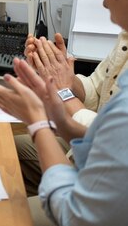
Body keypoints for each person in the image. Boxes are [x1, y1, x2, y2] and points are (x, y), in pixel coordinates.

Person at [0, 0, 128, 225]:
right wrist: (63, 75)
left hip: (84, 191)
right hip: (86, 151)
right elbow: (95, 89)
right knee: (1, 145)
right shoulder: (124, 37)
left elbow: (77, 213)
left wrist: (44, 114)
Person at [15, 30, 128, 196]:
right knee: (14, 149)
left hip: (114, 179)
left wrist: (64, 93)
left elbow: (115, 139)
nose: (104, 3)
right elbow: (97, 92)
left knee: (11, 212)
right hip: (99, 152)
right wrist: (60, 73)